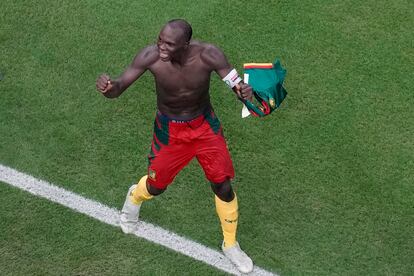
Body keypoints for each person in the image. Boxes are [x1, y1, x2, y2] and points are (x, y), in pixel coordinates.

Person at [96, 19, 254, 273]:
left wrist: (243, 92)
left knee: (222, 185)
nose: (162, 46)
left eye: (169, 43)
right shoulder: (151, 57)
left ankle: (231, 244)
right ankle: (133, 199)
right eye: (160, 39)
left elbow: (237, 86)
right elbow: (119, 87)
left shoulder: (209, 55)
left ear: (186, 44)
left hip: (205, 127)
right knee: (156, 187)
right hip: (170, 132)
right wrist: (108, 89)